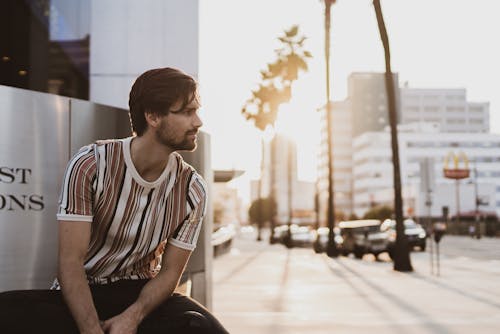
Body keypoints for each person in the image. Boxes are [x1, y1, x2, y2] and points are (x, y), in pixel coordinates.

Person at [0, 67, 228, 334]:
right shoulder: (90, 164)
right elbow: (70, 262)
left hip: (140, 294)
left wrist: (132, 318)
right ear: (153, 116)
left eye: (197, 111)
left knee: (205, 327)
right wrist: (91, 329)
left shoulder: (193, 189)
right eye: (187, 112)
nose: (198, 121)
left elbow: (169, 274)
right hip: (80, 292)